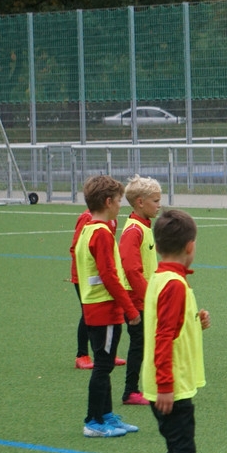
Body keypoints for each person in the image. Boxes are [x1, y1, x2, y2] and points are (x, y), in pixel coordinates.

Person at [141, 209, 211, 453]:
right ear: (190, 246)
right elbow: (163, 337)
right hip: (171, 387)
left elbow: (169, 325)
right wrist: (166, 386)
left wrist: (196, 320)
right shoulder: (174, 285)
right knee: (181, 452)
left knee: (179, 451)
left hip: (168, 383)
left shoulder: (163, 277)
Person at [75, 175, 141, 438]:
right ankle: (93, 421)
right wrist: (130, 310)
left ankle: (106, 415)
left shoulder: (88, 229)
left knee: (105, 365)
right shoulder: (101, 233)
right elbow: (109, 276)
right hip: (104, 308)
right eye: (118, 200)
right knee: (103, 366)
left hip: (95, 305)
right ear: (107, 202)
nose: (120, 205)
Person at [118, 175, 162, 406]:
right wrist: (150, 296)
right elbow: (131, 270)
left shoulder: (143, 226)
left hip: (143, 296)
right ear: (140, 202)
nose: (159, 205)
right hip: (136, 298)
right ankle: (130, 391)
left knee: (146, 343)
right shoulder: (134, 230)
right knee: (139, 344)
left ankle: (146, 385)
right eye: (155, 201)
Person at [70, 209, 124, 370]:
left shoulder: (112, 219)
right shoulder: (87, 218)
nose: (119, 204)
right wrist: (88, 269)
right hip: (85, 277)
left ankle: (109, 353)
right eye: (117, 199)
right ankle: (82, 355)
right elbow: (76, 248)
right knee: (86, 313)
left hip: (104, 277)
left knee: (109, 313)